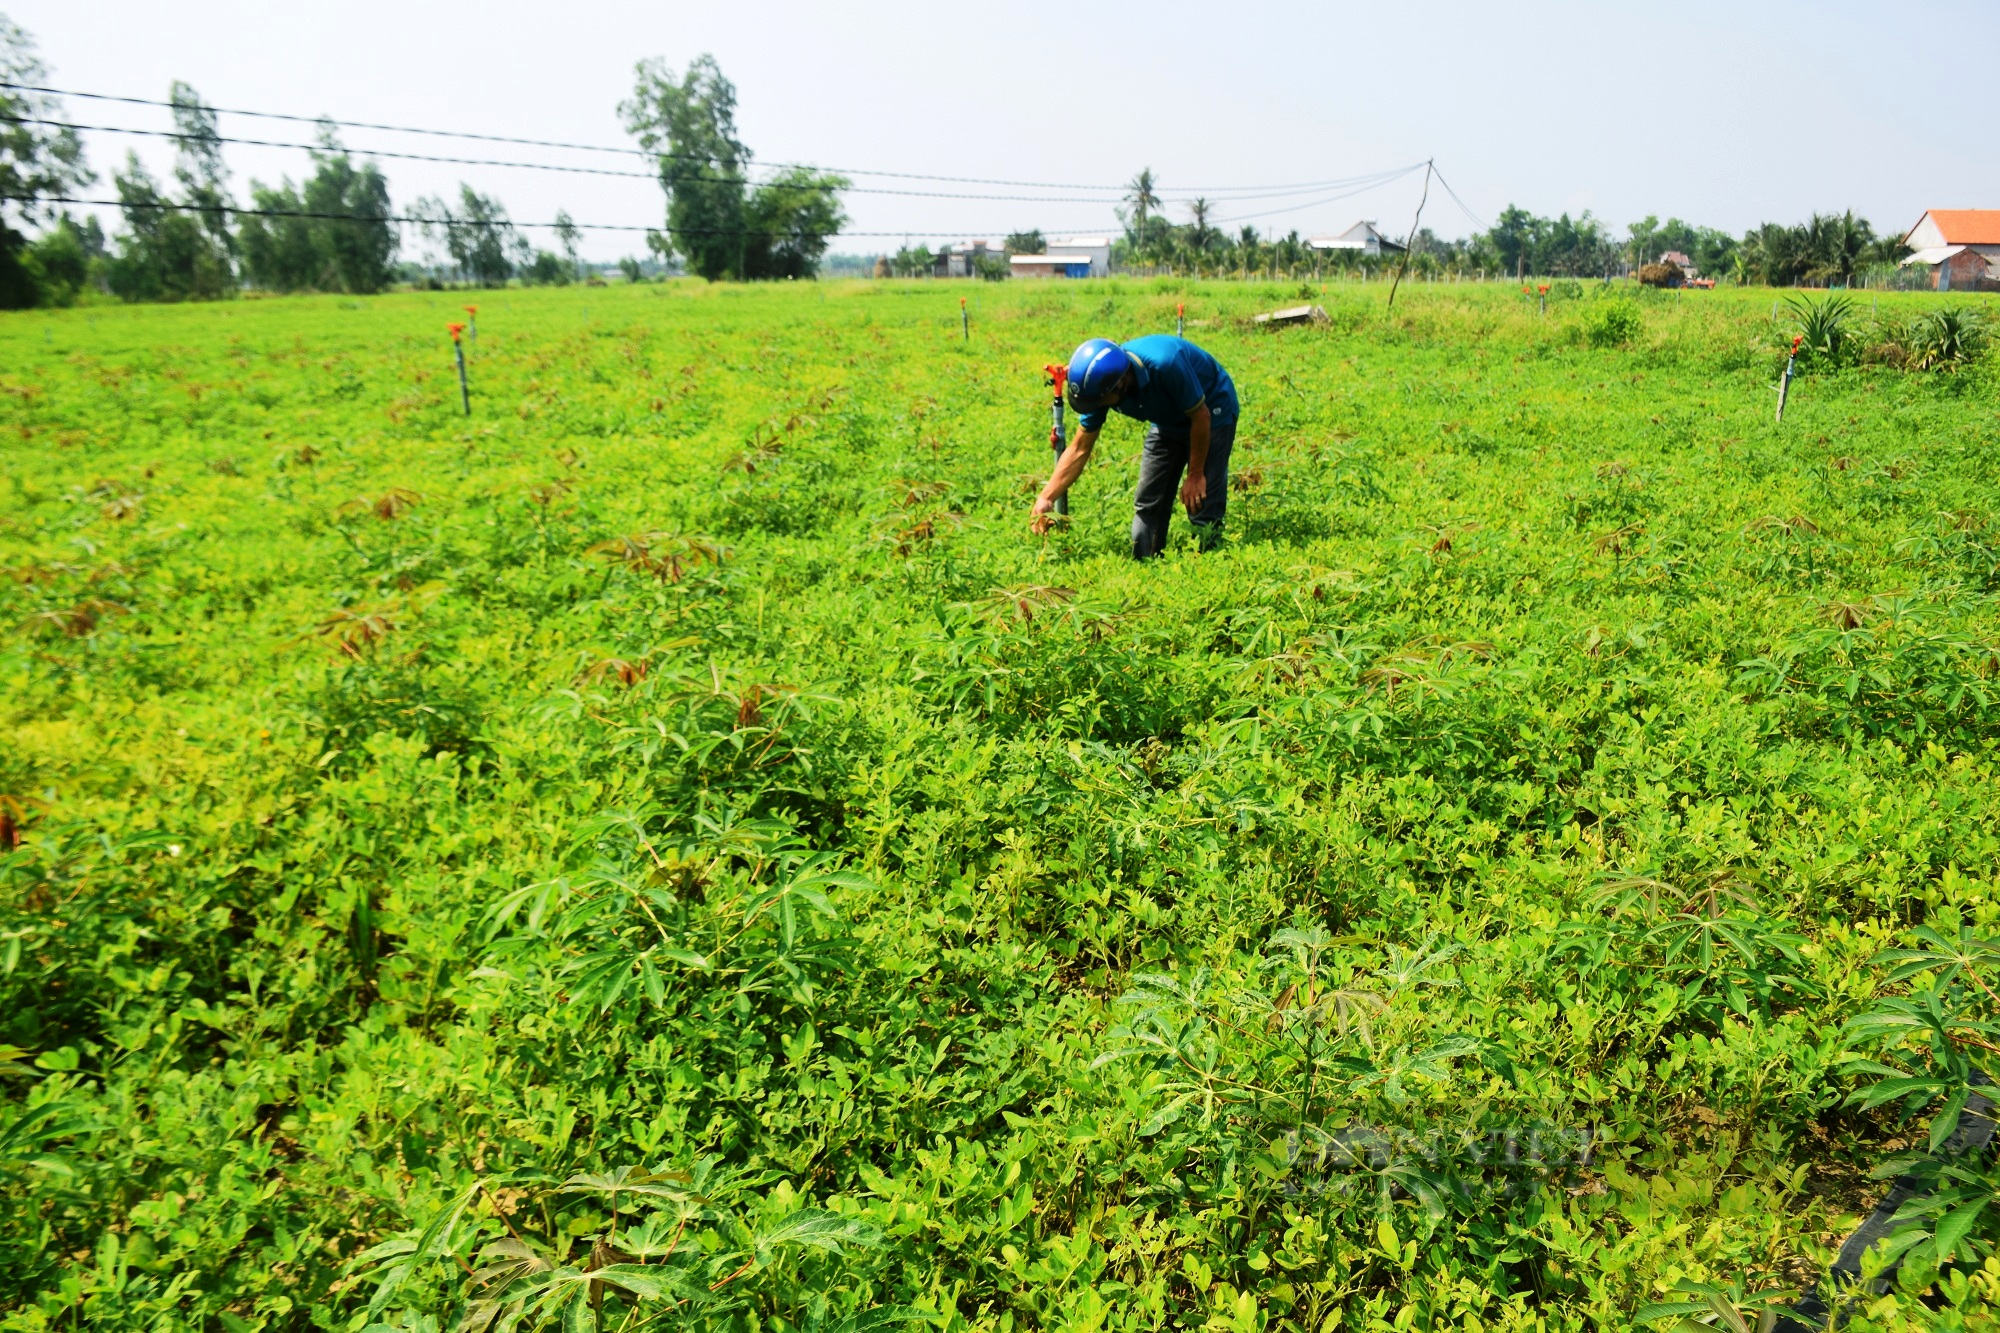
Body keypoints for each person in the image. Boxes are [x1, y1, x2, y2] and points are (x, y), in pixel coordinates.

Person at [1030, 334, 1241, 558]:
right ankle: (1145, 563)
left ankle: (1208, 563)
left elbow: (1201, 416)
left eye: (1100, 401)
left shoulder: (1164, 364)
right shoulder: (1099, 388)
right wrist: (1047, 497)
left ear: (1121, 384)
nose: (1098, 406)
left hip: (1211, 410)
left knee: (1201, 502)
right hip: (1166, 419)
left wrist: (1196, 475)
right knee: (1148, 502)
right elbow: (1079, 448)